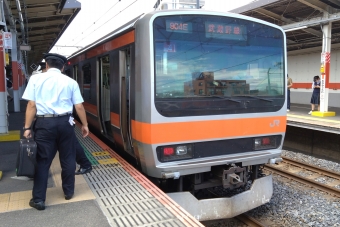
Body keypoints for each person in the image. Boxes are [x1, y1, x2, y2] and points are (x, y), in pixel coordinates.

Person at [22, 53, 89, 211]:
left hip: (44, 124)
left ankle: (38, 199)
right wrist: (85, 124)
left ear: (46, 65)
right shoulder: (70, 82)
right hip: (65, 123)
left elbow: (32, 105)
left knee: (43, 161)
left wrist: (27, 127)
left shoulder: (36, 79)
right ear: (63, 67)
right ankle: (68, 192)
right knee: (68, 158)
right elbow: (79, 106)